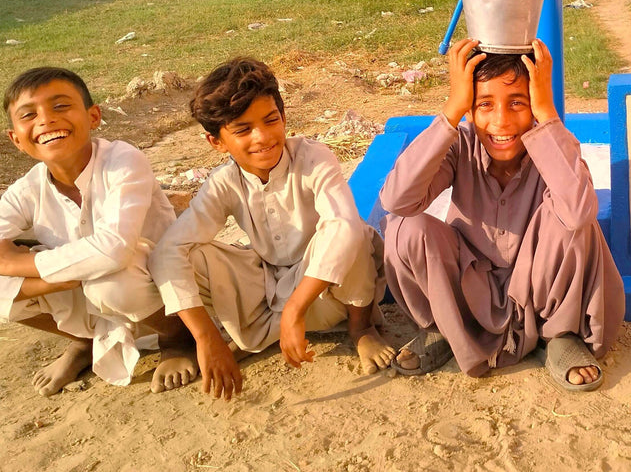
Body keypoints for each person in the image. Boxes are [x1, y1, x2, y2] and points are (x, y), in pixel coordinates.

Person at [380, 38, 625, 390]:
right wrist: (451, 110)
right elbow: (397, 200)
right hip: (470, 287)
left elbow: (579, 209)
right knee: (404, 226)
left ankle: (561, 336)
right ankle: (446, 329)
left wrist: (547, 114)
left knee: (573, 218)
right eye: (484, 105)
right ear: (469, 110)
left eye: (518, 103)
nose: (501, 121)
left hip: (538, 291)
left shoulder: (551, 145)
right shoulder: (461, 144)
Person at [149, 58, 394, 400]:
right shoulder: (224, 184)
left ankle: (362, 328)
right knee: (191, 253)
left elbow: (344, 227)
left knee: (349, 231)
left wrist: (295, 309)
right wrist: (207, 337)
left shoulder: (313, 157)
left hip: (327, 293)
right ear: (216, 141)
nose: (262, 137)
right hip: (267, 299)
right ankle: (205, 342)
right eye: (242, 129)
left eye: (271, 120)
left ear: (283, 117)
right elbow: (167, 252)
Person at [0, 67, 196, 396]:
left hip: (161, 291)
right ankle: (84, 341)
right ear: (17, 139)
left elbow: (114, 249)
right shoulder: (29, 188)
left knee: (110, 278)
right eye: (29, 114)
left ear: (93, 117)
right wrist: (70, 278)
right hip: (94, 294)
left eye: (60, 106)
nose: (46, 120)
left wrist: (12, 264)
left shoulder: (122, 160)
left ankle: (176, 339)